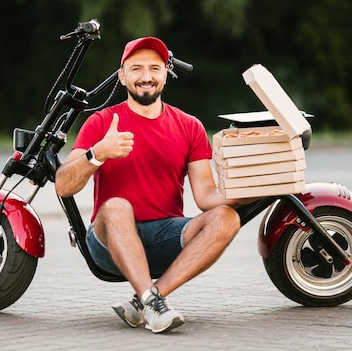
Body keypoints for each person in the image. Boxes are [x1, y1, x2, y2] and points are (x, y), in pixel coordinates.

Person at [55, 36, 247, 333]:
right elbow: (63, 185)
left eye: (155, 69)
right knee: (117, 206)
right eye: (137, 69)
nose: (146, 77)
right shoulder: (101, 121)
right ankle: (153, 303)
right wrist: (98, 154)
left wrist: (245, 193)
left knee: (227, 218)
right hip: (109, 242)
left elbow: (207, 196)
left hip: (164, 238)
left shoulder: (190, 126)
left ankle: (149, 299)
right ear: (122, 76)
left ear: (165, 74)